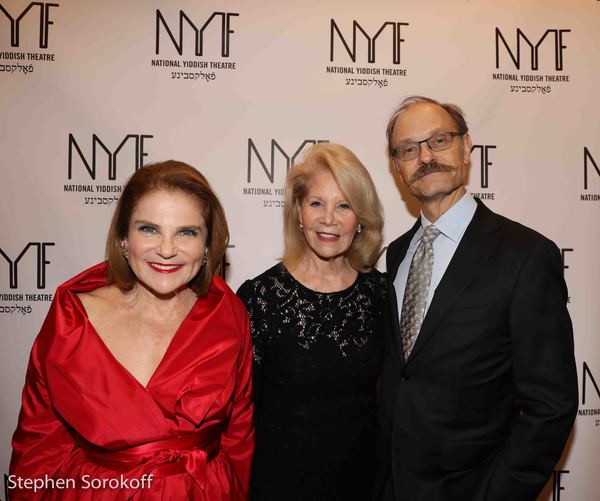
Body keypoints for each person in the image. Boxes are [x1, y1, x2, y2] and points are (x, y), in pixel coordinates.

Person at [10, 161, 254, 500]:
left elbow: (239, 435)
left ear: (208, 245)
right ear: (124, 238)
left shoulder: (227, 316)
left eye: (187, 232)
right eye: (149, 229)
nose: (167, 250)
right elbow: (40, 439)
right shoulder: (73, 321)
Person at [375, 95, 578, 501]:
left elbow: (551, 405)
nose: (426, 157)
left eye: (439, 140)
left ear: (467, 147)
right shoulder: (396, 254)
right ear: (397, 166)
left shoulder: (525, 255)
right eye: (409, 149)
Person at [237, 143, 386, 501]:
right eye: (316, 203)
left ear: (360, 219)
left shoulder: (380, 294)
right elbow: (239, 414)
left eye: (344, 205)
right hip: (278, 486)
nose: (328, 219)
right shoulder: (259, 297)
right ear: (298, 213)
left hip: (363, 485)